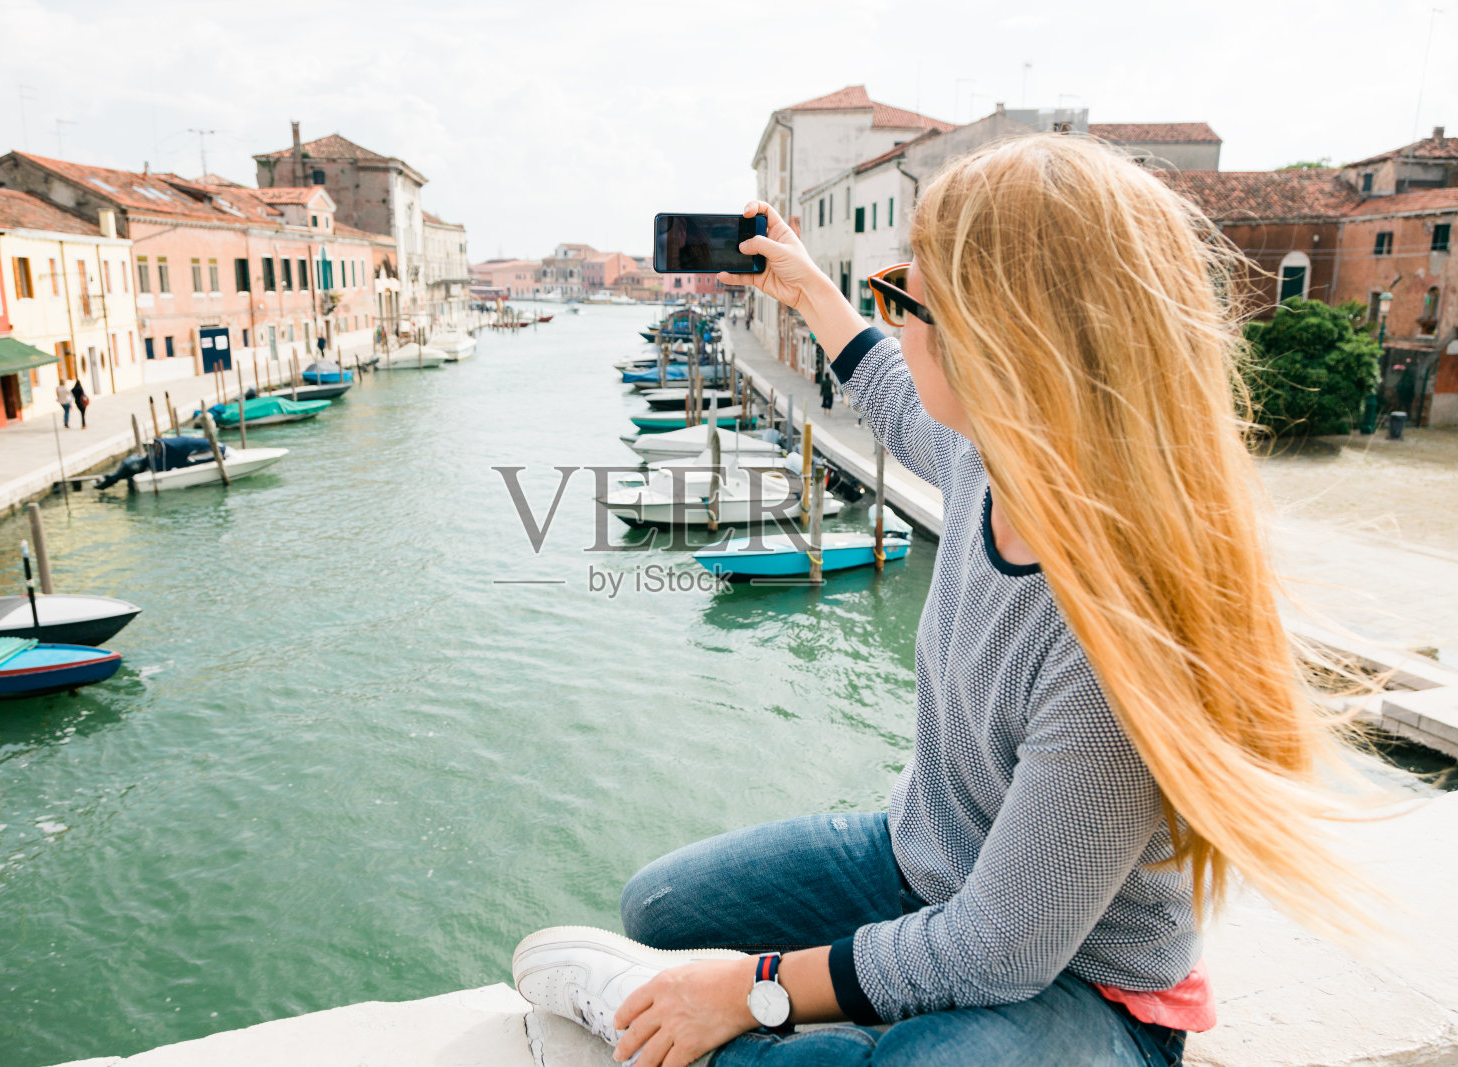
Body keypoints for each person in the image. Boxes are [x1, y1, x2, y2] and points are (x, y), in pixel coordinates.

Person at [512, 135, 1385, 1067]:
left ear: (998, 343)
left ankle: (694, 1028)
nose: (895, 326)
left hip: (1087, 982)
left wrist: (748, 988)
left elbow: (999, 948)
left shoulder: (1117, 631)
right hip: (923, 861)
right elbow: (888, 391)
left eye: (904, 300)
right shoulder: (990, 465)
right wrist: (809, 288)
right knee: (664, 907)